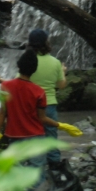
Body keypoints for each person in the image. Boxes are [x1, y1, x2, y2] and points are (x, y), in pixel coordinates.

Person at [0, 49, 82, 182]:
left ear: (18, 66)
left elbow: (2, 113)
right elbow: (42, 118)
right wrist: (62, 126)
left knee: (17, 171)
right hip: (36, 138)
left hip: (14, 138)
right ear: (34, 70)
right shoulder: (39, 92)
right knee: (37, 174)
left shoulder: (6, 86)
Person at [27, 29, 68, 166]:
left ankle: (35, 169)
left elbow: (18, 83)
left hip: (30, 106)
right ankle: (55, 168)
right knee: (51, 137)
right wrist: (63, 72)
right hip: (49, 105)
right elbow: (61, 85)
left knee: (32, 137)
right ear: (46, 43)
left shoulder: (27, 61)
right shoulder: (55, 62)